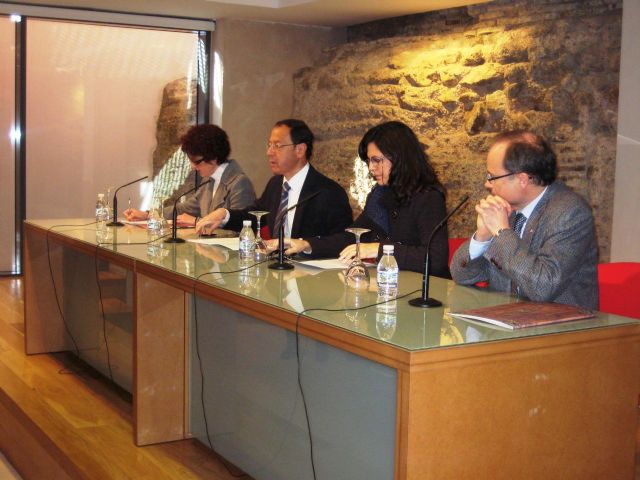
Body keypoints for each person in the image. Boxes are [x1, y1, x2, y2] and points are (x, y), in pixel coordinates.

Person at [450, 130, 598, 310]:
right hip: (504, 322)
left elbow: (542, 287)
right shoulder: (507, 209)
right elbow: (461, 275)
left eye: (492, 177)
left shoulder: (570, 213)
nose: (487, 184)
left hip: (557, 330)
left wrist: (502, 232)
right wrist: (482, 237)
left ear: (522, 179)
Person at [279, 121, 450, 276]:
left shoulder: (428, 197)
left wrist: (378, 249)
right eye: (369, 161)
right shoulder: (380, 195)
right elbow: (352, 237)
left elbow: (435, 260)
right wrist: (307, 245)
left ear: (399, 157)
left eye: (376, 160)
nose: (371, 168)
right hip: (391, 285)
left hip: (425, 293)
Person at [195, 119, 352, 238]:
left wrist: (306, 245)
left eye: (277, 146)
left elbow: (343, 240)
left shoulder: (328, 192)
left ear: (300, 150)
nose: (269, 152)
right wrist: (224, 214)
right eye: (269, 145)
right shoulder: (276, 184)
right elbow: (254, 216)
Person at [124, 124, 256, 225]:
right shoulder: (209, 182)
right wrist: (148, 215)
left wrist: (196, 221)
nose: (193, 167)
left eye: (197, 162)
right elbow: (182, 209)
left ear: (214, 157)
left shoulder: (239, 183)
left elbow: (241, 226)